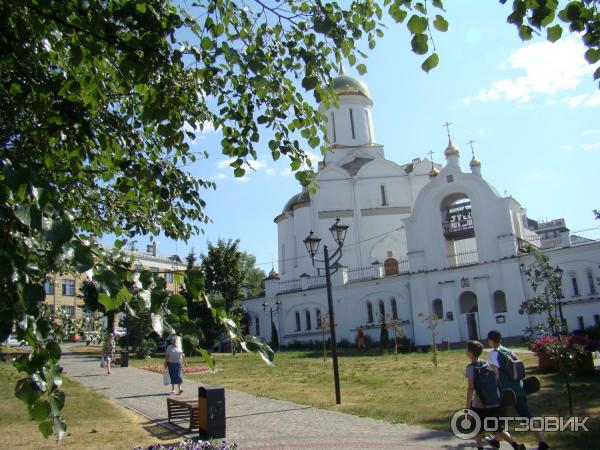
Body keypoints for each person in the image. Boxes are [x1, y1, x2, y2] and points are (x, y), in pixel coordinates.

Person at [486, 330, 550, 450]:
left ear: (490, 340)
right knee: (526, 415)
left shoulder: (494, 354)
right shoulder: (507, 350)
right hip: (519, 387)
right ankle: (542, 442)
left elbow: (495, 373)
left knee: (497, 418)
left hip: (506, 392)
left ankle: (502, 441)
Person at [464, 340, 525, 450]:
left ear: (470, 353)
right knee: (497, 428)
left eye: (466, 350)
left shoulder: (471, 368)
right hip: (494, 402)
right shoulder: (486, 364)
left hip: (479, 404)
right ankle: (516, 446)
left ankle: (480, 448)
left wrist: (468, 408)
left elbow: (470, 388)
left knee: (476, 429)